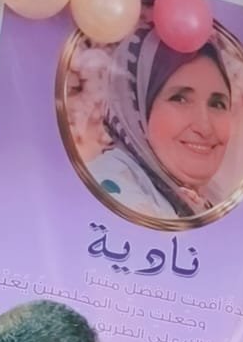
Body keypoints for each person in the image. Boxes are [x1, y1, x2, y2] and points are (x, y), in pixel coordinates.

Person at [88, 21, 234, 220]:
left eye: (217, 104)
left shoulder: (206, 201)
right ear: (136, 108)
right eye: (180, 99)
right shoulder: (108, 185)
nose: (205, 127)